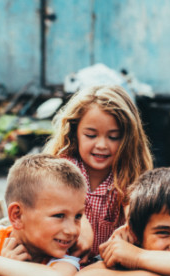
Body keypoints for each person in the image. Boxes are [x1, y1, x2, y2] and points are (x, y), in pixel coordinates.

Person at [43, 85, 153, 261]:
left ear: (128, 139)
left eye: (113, 137)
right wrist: (80, 220)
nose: (101, 145)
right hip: (62, 259)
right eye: (91, 135)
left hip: (108, 263)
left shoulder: (128, 175)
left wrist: (133, 225)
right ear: (75, 132)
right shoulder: (62, 167)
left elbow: (135, 209)